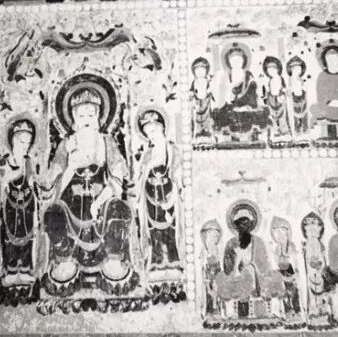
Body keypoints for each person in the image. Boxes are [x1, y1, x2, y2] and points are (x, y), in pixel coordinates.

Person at [42, 79, 135, 295]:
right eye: (81, 116)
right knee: (53, 214)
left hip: (102, 204)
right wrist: (70, 167)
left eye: (91, 115)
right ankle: (65, 260)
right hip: (71, 206)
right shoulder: (66, 145)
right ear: (73, 120)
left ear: (99, 119)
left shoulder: (106, 142)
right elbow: (52, 187)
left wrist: (99, 202)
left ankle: (114, 260)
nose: (87, 121)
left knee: (120, 210)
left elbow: (118, 179)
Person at [0, 117, 39, 304]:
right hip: (9, 207)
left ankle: (25, 269)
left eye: (28, 142)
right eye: (22, 142)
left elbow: (34, 183)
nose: (25, 146)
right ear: (12, 141)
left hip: (27, 206)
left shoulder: (28, 162)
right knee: (9, 239)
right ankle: (10, 269)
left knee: (27, 239)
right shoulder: (3, 162)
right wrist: (6, 179)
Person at [136, 108, 183, 280]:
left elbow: (178, 174)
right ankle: (156, 262)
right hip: (150, 197)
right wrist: (147, 168)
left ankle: (174, 260)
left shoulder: (173, 150)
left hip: (168, 195)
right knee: (153, 230)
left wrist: (173, 197)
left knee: (171, 228)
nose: (152, 135)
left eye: (154, 130)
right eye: (148, 133)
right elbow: (140, 177)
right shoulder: (147, 155)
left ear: (162, 128)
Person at [213, 42, 269, 143]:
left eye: (239, 60)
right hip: (230, 106)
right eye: (233, 60)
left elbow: (252, 92)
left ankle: (254, 137)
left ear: (243, 61)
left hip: (247, 105)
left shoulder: (248, 76)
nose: (236, 62)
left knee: (258, 113)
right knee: (220, 114)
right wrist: (229, 98)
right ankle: (227, 137)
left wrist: (247, 105)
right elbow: (223, 95)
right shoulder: (226, 76)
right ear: (229, 62)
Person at [190, 56, 215, 142]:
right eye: (197, 70)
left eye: (202, 70)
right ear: (194, 72)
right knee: (196, 119)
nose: (200, 72)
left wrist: (209, 91)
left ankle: (208, 133)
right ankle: (197, 134)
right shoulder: (194, 82)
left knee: (207, 118)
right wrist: (192, 95)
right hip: (197, 103)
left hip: (206, 102)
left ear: (206, 71)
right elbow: (192, 91)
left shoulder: (207, 81)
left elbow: (210, 90)